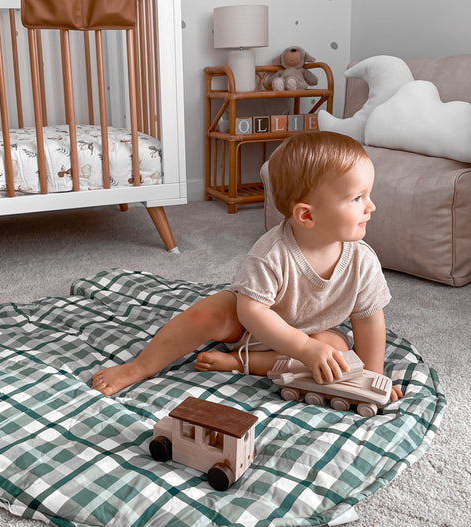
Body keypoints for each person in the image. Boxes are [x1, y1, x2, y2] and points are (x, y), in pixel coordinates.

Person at [92, 131, 402, 402]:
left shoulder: (363, 261)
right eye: (357, 198)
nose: (370, 206)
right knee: (208, 312)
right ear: (307, 216)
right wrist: (303, 347)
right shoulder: (272, 254)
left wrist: (372, 379)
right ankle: (141, 366)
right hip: (250, 324)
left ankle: (243, 363)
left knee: (336, 351)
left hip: (313, 332)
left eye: (368, 195)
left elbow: (369, 321)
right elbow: (252, 312)